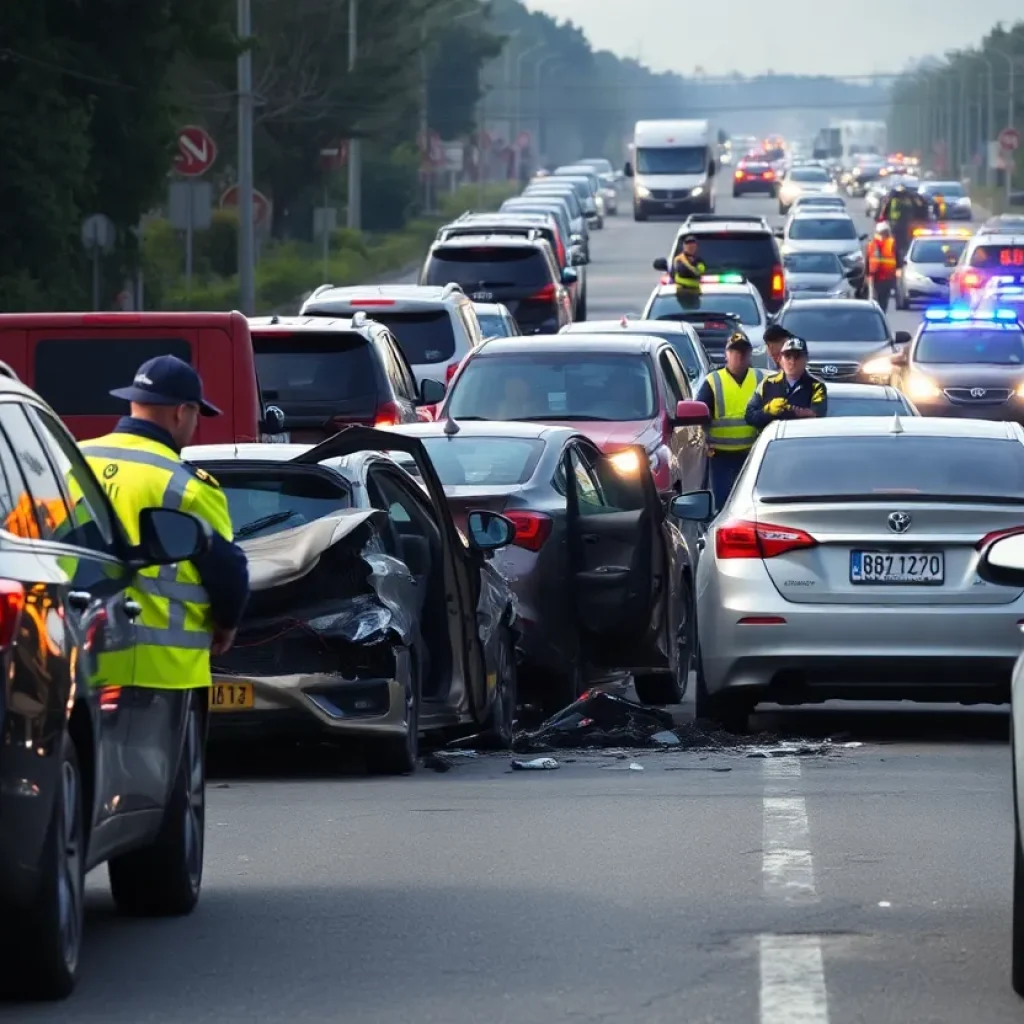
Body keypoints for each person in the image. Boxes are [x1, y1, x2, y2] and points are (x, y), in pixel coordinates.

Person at [80, 355, 250, 691]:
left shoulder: (74, 460)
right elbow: (227, 570)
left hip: (75, 660)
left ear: (134, 403)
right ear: (181, 411)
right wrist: (226, 626)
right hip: (162, 673)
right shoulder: (187, 486)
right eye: (197, 414)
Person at [695, 330, 764, 511]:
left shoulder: (760, 379)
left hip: (753, 454)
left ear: (750, 354)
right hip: (720, 456)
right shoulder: (713, 381)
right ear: (726, 354)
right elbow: (697, 412)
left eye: (743, 352)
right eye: (734, 351)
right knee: (724, 503)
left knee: (751, 503)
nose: (739, 356)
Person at [745, 333, 828, 431]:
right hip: (773, 440)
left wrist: (787, 409)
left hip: (802, 440)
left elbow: (816, 416)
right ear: (780, 359)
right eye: (788, 356)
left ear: (806, 359)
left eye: (797, 356)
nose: (792, 361)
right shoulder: (767, 383)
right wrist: (768, 411)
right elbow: (749, 417)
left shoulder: (817, 387)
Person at [867, 222, 898, 312]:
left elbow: (897, 259)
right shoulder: (872, 245)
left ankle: (881, 314)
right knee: (874, 301)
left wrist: (896, 278)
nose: (883, 234)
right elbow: (868, 260)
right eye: (882, 232)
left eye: (885, 232)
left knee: (883, 301)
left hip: (886, 278)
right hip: (875, 278)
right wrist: (866, 276)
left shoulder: (892, 244)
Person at [672, 234, 706, 306]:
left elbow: (700, 271)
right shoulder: (679, 259)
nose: (690, 247)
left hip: (695, 291)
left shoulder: (698, 260)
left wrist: (693, 265)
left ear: (696, 247)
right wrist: (693, 268)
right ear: (684, 246)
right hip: (681, 291)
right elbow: (682, 271)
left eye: (693, 245)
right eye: (688, 245)